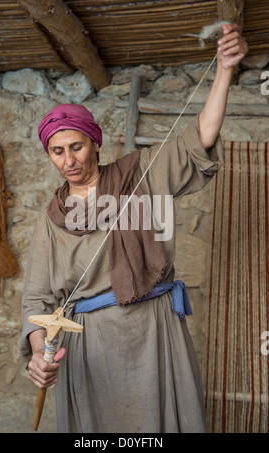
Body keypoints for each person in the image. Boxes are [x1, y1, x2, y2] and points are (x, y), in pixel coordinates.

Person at [20, 24, 248, 433]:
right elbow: (37, 299)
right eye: (58, 151)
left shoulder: (140, 173)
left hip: (154, 330)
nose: (69, 160)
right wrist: (40, 353)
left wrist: (226, 71)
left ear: (96, 143)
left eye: (77, 146)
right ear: (49, 155)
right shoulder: (51, 219)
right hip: (90, 344)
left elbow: (200, 138)